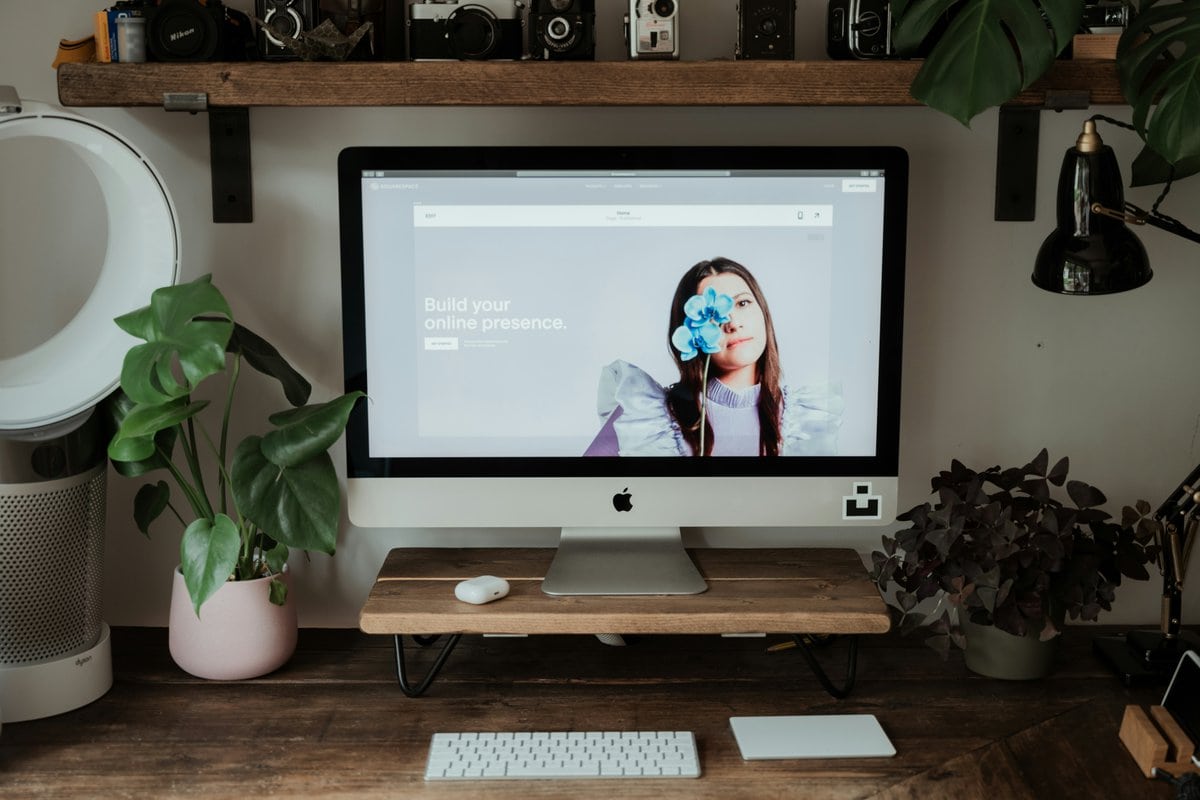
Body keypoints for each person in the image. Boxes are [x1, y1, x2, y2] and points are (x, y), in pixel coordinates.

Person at [584, 257, 843, 457]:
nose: (732, 323)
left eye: (742, 303)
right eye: (712, 315)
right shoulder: (647, 416)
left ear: (763, 312)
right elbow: (585, 495)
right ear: (686, 328)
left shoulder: (805, 420)